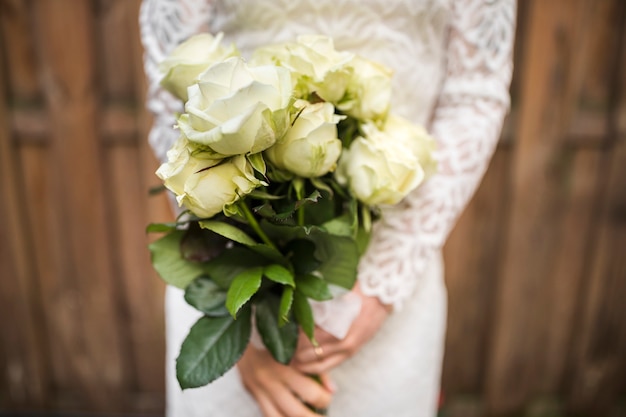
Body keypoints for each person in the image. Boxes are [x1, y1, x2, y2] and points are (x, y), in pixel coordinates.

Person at [140, 0, 516, 416]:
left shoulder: (387, 280)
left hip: (393, 276)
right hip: (235, 257)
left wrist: (382, 283)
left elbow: (475, 96)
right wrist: (244, 312)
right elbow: (171, 90)